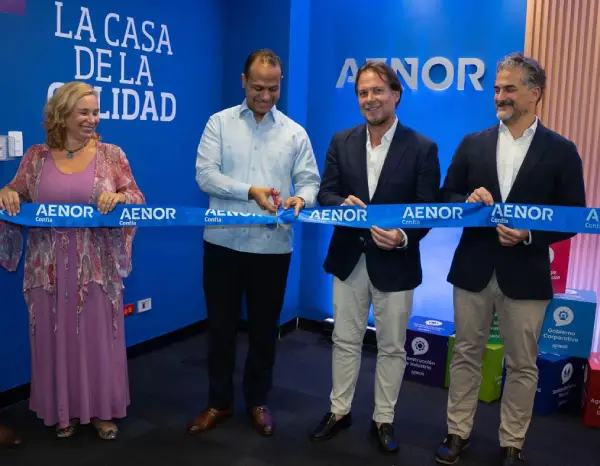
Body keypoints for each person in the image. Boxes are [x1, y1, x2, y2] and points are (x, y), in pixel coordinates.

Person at [435, 53, 586, 466]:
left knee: (522, 365)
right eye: (497, 88)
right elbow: (447, 196)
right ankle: (457, 432)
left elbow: (573, 215)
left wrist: (530, 234)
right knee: (466, 354)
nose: (499, 96)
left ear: (535, 94)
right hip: (473, 269)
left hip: (527, 273)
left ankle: (512, 443)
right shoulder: (472, 143)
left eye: (510, 89)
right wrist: (467, 200)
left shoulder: (562, 151)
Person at [0, 81, 145, 440]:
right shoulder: (36, 157)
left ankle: (102, 412)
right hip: (47, 269)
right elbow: (17, 191)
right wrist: (6, 192)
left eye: (95, 112)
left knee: (98, 339)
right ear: (61, 115)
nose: (92, 119)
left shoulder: (111, 155)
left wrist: (119, 198)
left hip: (96, 268)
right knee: (54, 338)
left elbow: (137, 197)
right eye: (84, 112)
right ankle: (62, 412)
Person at [309, 60, 441, 454]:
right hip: (349, 258)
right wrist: (340, 205)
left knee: (392, 347)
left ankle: (384, 418)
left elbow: (427, 208)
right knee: (344, 340)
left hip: (397, 262)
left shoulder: (423, 148)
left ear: (395, 95)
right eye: (363, 92)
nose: (370, 99)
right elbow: (325, 193)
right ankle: (339, 411)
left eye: (378, 91)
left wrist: (402, 236)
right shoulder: (341, 141)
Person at [189, 49, 320, 437]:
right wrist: (250, 191)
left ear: (281, 84)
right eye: (258, 87)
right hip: (222, 244)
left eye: (273, 88)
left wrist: (301, 199)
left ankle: (257, 400)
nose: (265, 95)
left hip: (272, 248)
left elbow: (310, 181)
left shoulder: (295, 133)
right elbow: (205, 176)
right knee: (220, 329)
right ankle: (218, 402)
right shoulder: (219, 123)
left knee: (264, 331)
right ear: (243, 81)